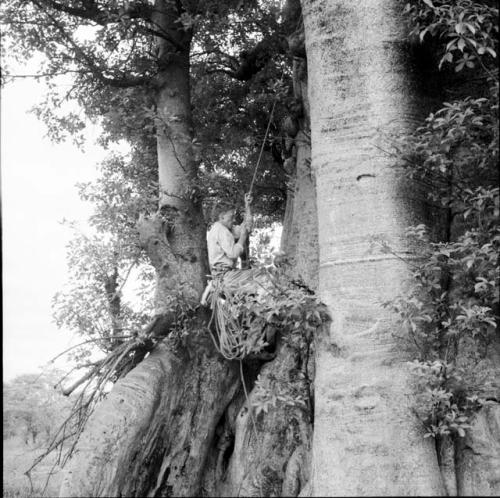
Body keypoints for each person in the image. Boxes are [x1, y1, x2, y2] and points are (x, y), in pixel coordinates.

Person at [206, 193, 253, 277]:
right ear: (222, 217)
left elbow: (246, 228)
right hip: (223, 273)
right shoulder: (220, 230)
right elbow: (233, 254)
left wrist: (247, 206)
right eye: (231, 217)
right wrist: (242, 238)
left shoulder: (227, 228)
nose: (233, 219)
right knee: (258, 277)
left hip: (227, 272)